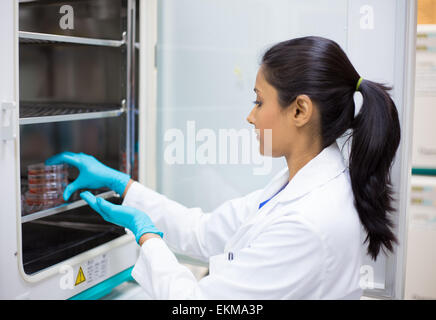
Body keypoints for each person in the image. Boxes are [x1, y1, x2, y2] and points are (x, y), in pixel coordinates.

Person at [46, 36, 401, 299]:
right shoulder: (298, 183)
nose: (251, 116)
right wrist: (125, 187)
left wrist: (147, 236)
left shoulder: (309, 221)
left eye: (259, 101)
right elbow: (203, 231)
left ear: (300, 111)